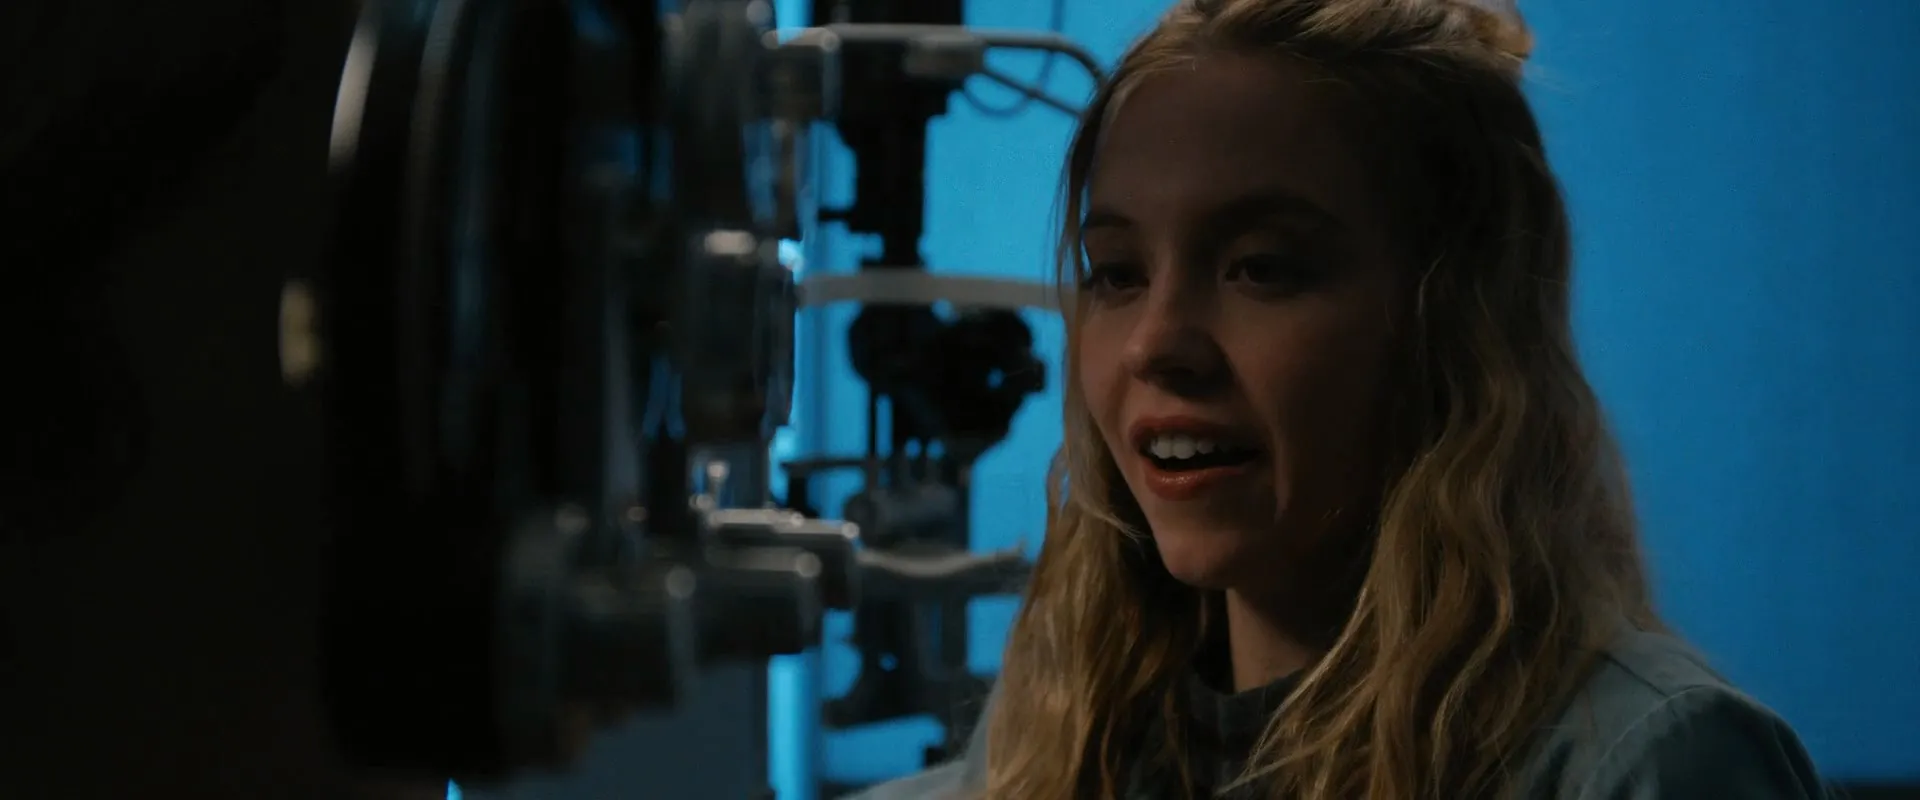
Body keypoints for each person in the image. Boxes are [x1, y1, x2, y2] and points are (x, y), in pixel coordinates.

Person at [852, 0, 1830, 798]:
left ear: (1456, 320)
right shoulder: (1069, 734)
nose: (1155, 343)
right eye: (1116, 273)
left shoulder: (1645, 763)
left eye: (1261, 266)